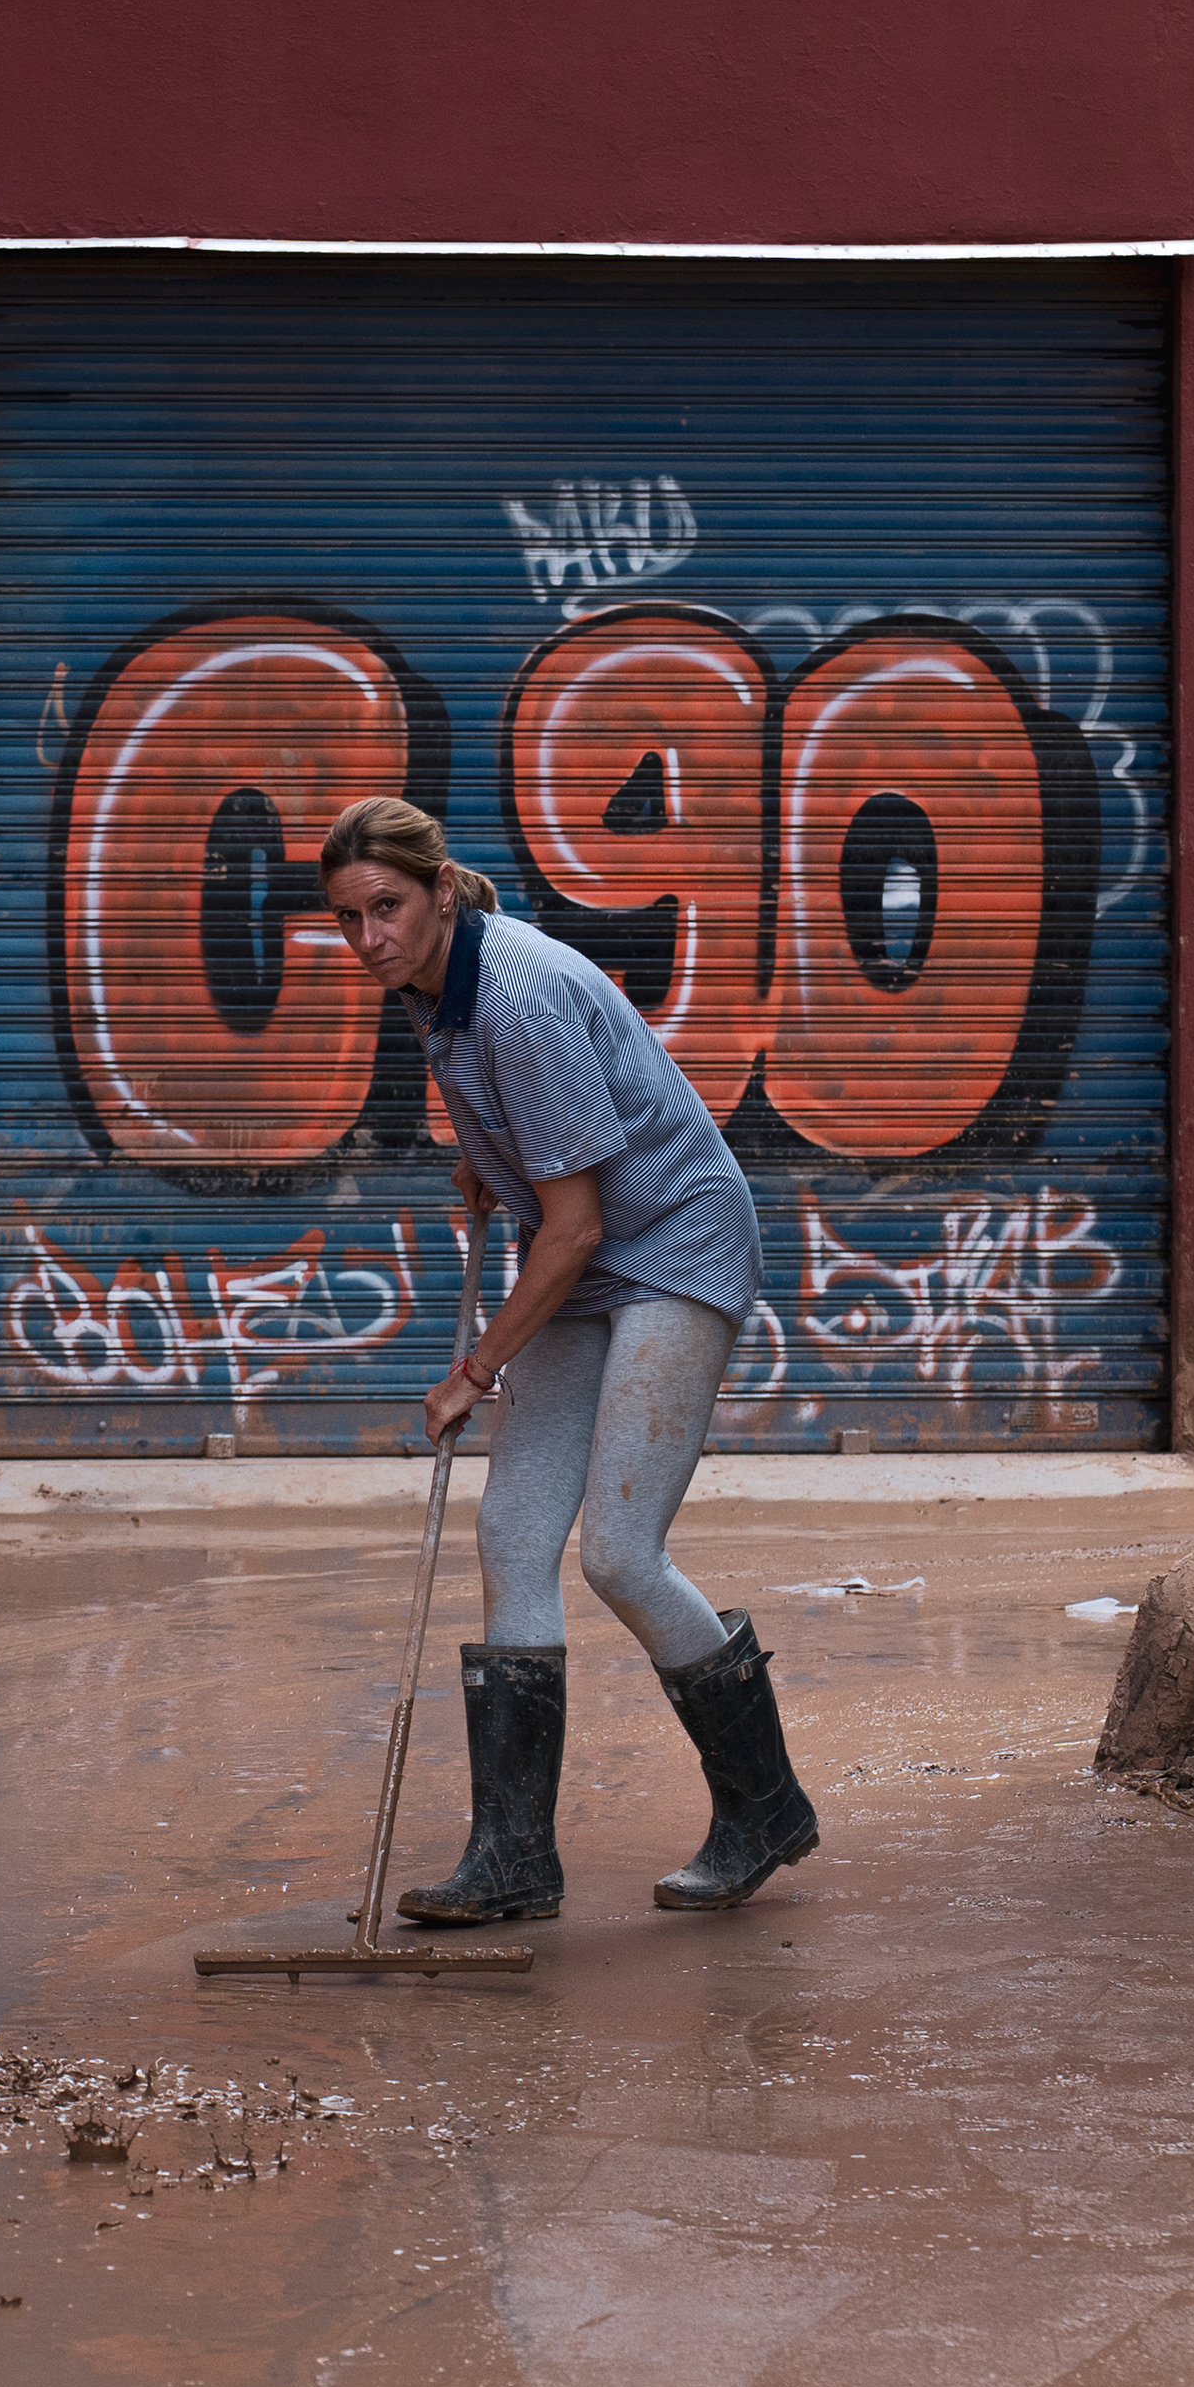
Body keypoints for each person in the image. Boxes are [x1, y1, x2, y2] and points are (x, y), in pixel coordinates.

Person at [314, 796, 820, 1919]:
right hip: (588, 1249)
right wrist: (492, 1157)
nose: (369, 938)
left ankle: (766, 1804)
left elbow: (578, 1223)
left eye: (387, 907)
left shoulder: (519, 993)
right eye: (349, 918)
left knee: (621, 1555)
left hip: (674, 1242)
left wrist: (475, 1369)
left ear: (441, 890)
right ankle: (514, 1858)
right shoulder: (433, 986)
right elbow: (557, 1155)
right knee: (513, 1534)